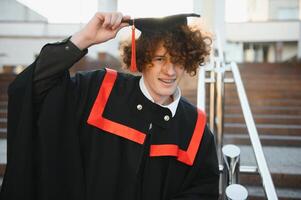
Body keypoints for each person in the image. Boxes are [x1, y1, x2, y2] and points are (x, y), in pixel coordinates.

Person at [0, 12, 219, 200]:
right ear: (142, 58)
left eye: (178, 60)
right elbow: (35, 85)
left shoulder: (194, 128)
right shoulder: (98, 90)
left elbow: (202, 191)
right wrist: (85, 38)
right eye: (160, 59)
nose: (170, 71)